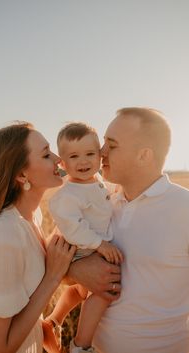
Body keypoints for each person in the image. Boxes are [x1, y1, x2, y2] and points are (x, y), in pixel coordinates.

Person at [68, 107, 189, 353]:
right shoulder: (101, 202)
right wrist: (76, 268)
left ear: (144, 155)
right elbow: (52, 264)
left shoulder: (187, 209)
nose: (100, 152)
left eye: (111, 145)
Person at [0, 122, 76, 353]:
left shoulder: (33, 218)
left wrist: (44, 325)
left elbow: (17, 308)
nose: (58, 159)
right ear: (22, 174)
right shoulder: (2, 233)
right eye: (46, 154)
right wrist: (52, 278)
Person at [43, 122, 123, 353]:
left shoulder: (96, 181)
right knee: (103, 293)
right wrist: (101, 246)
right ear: (63, 163)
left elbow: (104, 196)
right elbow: (73, 229)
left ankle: (54, 320)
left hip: (92, 246)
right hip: (81, 248)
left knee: (79, 291)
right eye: (74, 156)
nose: (84, 161)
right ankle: (81, 345)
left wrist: (117, 192)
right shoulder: (67, 195)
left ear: (99, 155)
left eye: (90, 154)